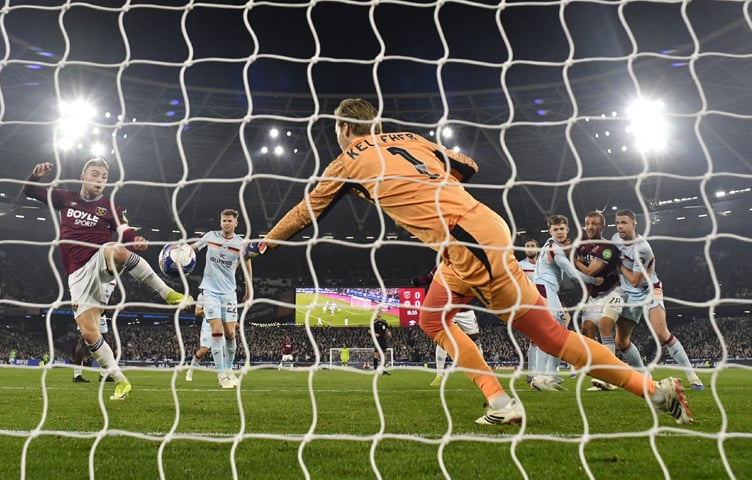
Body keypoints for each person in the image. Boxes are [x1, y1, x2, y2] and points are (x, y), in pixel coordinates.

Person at [244, 98, 692, 425]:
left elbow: (306, 211)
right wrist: (440, 181)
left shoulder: (345, 161)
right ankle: (498, 401)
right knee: (431, 321)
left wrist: (264, 244)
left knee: (552, 338)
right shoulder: (409, 139)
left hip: (469, 241)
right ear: (374, 123)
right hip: (470, 234)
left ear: (342, 130)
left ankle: (652, 390)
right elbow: (468, 164)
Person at [24, 158, 192, 401]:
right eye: (95, 174)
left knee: (116, 249)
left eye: (104, 176)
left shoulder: (110, 207)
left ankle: (168, 294)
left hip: (100, 261)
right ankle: (121, 383)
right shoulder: (65, 197)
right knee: (89, 333)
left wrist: (135, 239)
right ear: (83, 176)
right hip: (77, 275)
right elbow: (29, 191)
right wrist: (35, 175)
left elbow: (124, 230)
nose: (100, 180)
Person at [597, 209, 704, 391]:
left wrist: (618, 264)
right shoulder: (615, 238)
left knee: (662, 333)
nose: (620, 226)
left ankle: (693, 378)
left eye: (624, 222)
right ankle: (644, 376)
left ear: (633, 224)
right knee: (621, 342)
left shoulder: (642, 248)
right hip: (627, 294)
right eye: (617, 223)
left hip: (648, 291)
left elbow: (636, 280)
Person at [531, 215, 603, 389]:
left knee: (560, 328)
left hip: (546, 289)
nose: (560, 232)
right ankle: (540, 377)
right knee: (551, 332)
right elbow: (571, 273)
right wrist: (594, 281)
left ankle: (550, 375)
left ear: (567, 230)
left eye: (562, 229)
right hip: (544, 289)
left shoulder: (549, 244)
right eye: (556, 229)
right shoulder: (555, 248)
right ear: (550, 231)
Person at [191, 208, 251, 389]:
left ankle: (229, 369)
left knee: (230, 334)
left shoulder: (241, 243)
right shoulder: (210, 236)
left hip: (229, 293)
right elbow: (193, 248)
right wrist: (180, 252)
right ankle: (221, 376)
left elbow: (248, 264)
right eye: (224, 220)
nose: (226, 223)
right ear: (220, 222)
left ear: (236, 224)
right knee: (216, 332)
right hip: (209, 291)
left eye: (229, 221)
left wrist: (249, 289)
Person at [571, 211, 624, 391]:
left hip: (613, 291)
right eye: (588, 223)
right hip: (593, 296)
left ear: (603, 226)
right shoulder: (582, 247)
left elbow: (590, 271)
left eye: (595, 223)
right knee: (587, 331)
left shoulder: (607, 247)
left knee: (605, 325)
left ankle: (612, 375)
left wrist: (574, 261)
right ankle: (601, 373)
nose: (591, 227)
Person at [413, 267, 482, 387]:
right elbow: (429, 278)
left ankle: (481, 372)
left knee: (475, 339)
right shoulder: (443, 264)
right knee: (443, 340)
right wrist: (418, 282)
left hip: (465, 311)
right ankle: (439, 375)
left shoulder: (467, 264)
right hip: (448, 311)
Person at [73, 280, 117, 383]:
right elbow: (111, 302)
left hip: (95, 313)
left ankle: (103, 375)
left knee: (103, 343)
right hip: (88, 312)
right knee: (83, 342)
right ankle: (77, 375)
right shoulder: (106, 280)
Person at [517, 239, 539, 384]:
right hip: (529, 304)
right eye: (527, 246)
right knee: (535, 339)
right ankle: (533, 373)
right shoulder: (520, 266)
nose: (530, 249)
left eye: (532, 246)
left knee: (542, 339)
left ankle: (541, 372)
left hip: (545, 303)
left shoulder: (544, 265)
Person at [185, 292, 214, 382]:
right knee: (203, 351)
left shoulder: (222, 291)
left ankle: (226, 375)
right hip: (208, 326)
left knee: (223, 350)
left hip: (220, 324)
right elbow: (197, 312)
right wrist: (207, 310)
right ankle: (190, 371)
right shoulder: (202, 295)